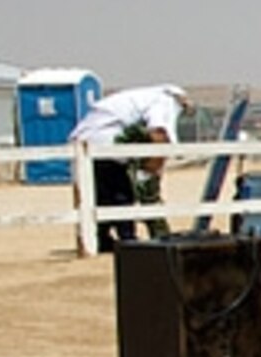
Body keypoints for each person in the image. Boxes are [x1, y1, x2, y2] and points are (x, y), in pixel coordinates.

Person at [68, 82, 186, 249]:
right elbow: (159, 133)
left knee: (100, 196)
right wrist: (151, 171)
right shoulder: (164, 101)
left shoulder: (141, 96)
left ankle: (101, 238)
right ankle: (127, 239)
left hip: (88, 138)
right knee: (121, 194)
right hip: (105, 142)